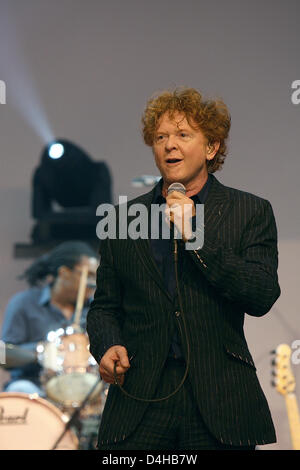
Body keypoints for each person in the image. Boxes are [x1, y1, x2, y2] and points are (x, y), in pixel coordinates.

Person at [87, 87, 280, 450]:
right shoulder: (123, 219)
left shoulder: (250, 211)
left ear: (211, 148)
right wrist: (107, 344)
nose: (169, 145)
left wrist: (196, 234)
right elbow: (104, 307)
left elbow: (260, 294)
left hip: (219, 401)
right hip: (142, 400)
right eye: (160, 137)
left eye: (182, 134)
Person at [1, 240, 98, 395]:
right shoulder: (24, 303)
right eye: (89, 276)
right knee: (19, 389)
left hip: (85, 392)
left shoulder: (97, 309)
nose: (93, 283)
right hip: (35, 387)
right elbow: (3, 355)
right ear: (64, 273)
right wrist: (45, 353)